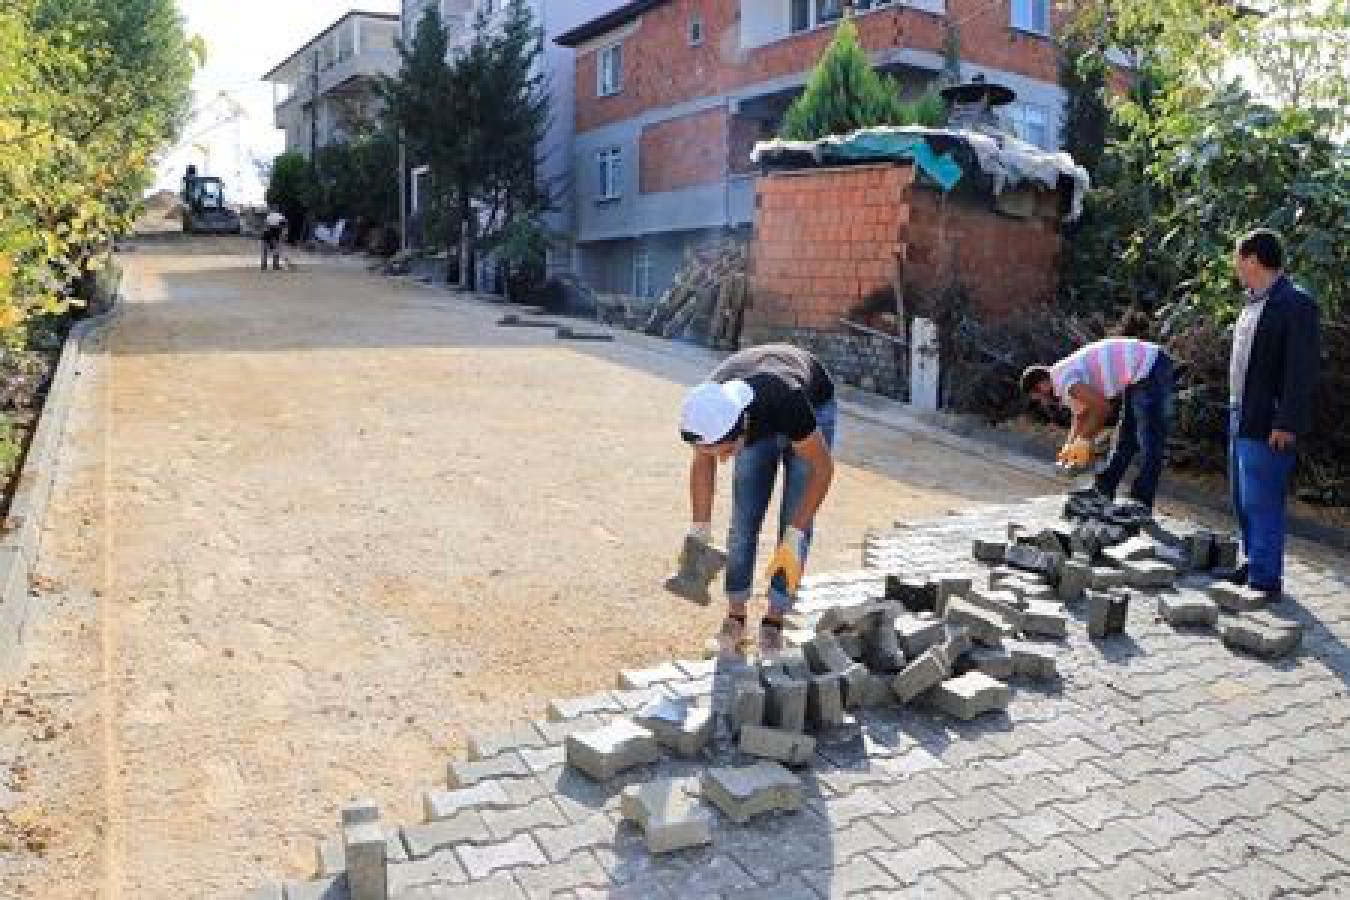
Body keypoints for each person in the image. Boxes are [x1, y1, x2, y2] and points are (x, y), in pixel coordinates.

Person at [678, 344, 837, 656]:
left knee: (795, 522)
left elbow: (823, 469)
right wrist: (699, 530)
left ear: (743, 430)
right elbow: (702, 463)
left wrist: (794, 536)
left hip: (811, 405)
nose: (722, 461)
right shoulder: (708, 406)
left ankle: (773, 624)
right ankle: (735, 618)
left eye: (725, 452)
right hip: (759, 404)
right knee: (743, 522)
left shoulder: (788, 401)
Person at [1228, 228, 1320, 598]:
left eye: (1238, 258)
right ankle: (1252, 560)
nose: (1235, 266)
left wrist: (1287, 422)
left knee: (1262, 498)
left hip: (1269, 420)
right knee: (1241, 495)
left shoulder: (1296, 303)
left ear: (1252, 259)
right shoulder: (1252, 302)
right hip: (1240, 412)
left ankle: (1266, 578)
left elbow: (1301, 370)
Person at [1020, 337, 1175, 511]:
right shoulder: (1061, 378)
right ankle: (1104, 489)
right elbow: (1080, 416)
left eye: (1039, 397)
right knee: (1126, 438)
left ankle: (1141, 501)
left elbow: (1102, 408)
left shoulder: (1063, 381)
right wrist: (1068, 449)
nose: (1043, 402)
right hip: (1140, 371)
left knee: (1150, 439)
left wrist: (1083, 442)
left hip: (1150, 366)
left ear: (1042, 385)